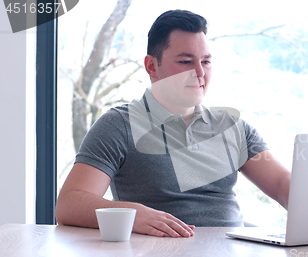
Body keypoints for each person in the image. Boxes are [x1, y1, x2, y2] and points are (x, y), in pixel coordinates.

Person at [55, 10, 291, 238]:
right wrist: (134, 215)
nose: (200, 73)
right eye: (186, 61)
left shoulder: (233, 127)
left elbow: (282, 185)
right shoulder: (118, 125)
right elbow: (69, 204)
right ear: (151, 66)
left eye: (206, 62)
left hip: (233, 254)